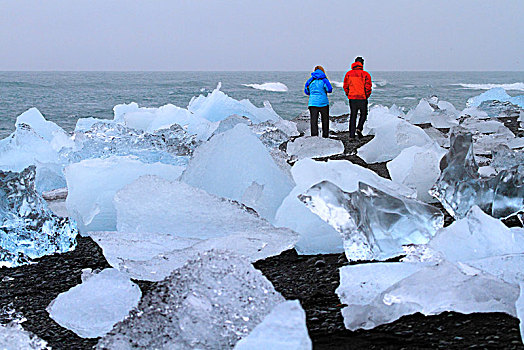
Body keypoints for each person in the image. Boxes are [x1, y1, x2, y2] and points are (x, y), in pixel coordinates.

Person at [343, 57, 372, 139]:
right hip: (362, 98)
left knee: (353, 116)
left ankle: (351, 135)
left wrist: (348, 94)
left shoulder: (348, 74)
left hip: (352, 98)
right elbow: (368, 87)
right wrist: (366, 95)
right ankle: (359, 128)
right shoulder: (365, 74)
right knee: (364, 114)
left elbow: (345, 86)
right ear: (362, 64)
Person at [304, 65, 333, 138]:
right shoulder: (324, 80)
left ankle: (314, 137)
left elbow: (306, 91)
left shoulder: (310, 80)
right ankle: (325, 136)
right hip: (323, 103)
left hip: (312, 103)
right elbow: (329, 90)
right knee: (325, 120)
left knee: (314, 121)